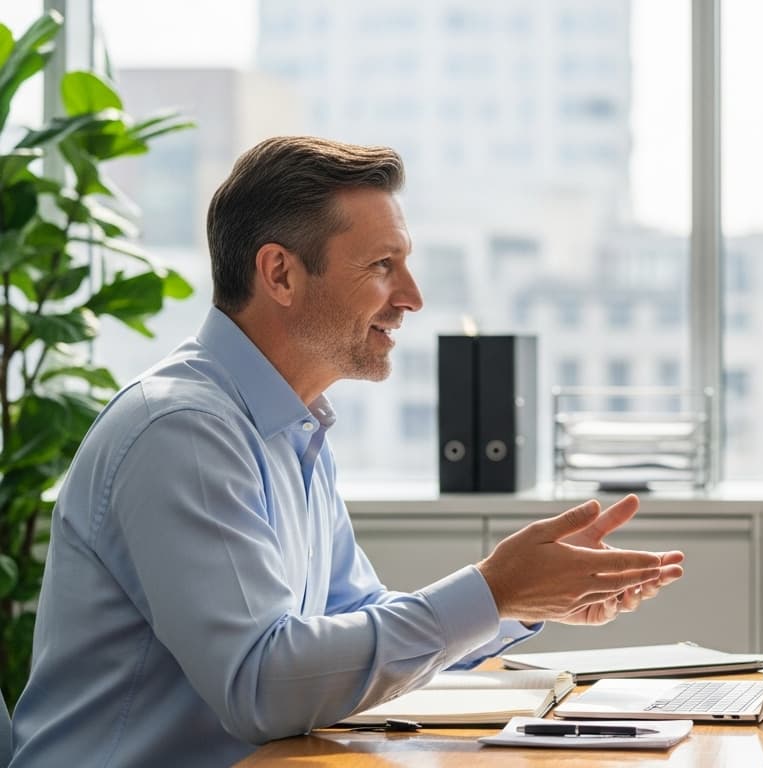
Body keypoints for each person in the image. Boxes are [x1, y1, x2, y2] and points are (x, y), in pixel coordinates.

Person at [9, 136, 686, 767]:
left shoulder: (290, 427)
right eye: (383, 267)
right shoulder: (180, 431)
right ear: (279, 273)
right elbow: (262, 683)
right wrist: (492, 587)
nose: (413, 298)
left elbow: (349, 626)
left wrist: (520, 601)